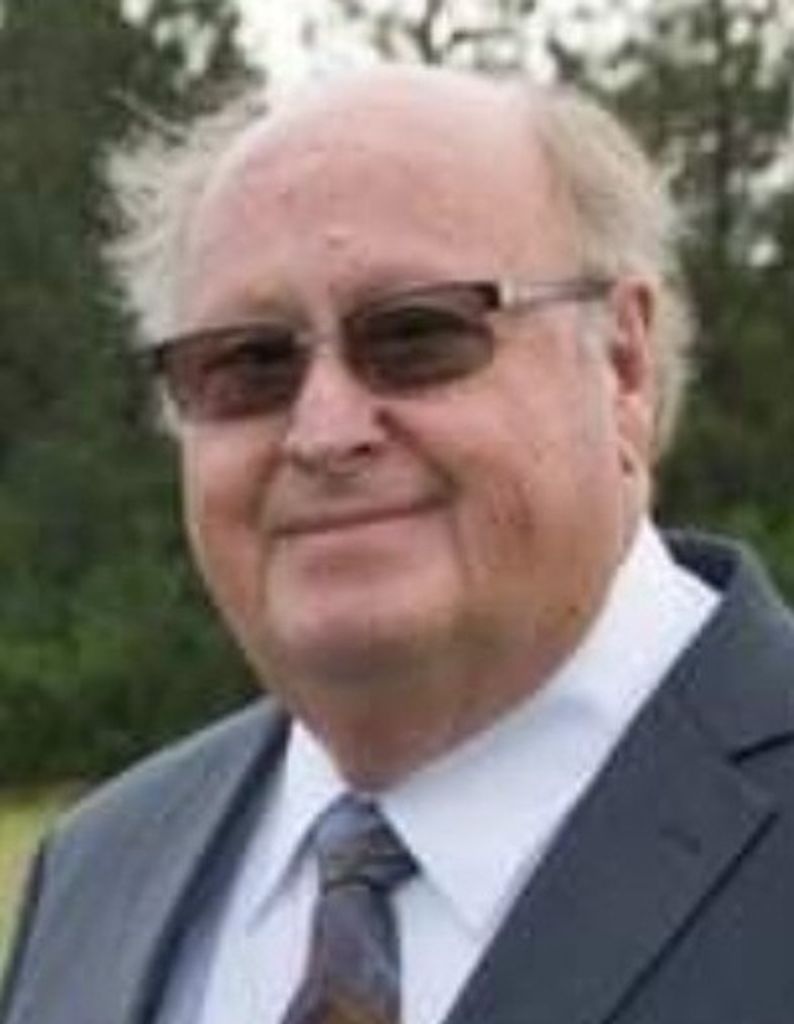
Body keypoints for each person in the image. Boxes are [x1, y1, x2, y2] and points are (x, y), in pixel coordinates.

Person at [3, 63, 794, 1024]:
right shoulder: (96, 873)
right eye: (249, 363)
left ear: (622, 364)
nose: (325, 431)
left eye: (417, 335)